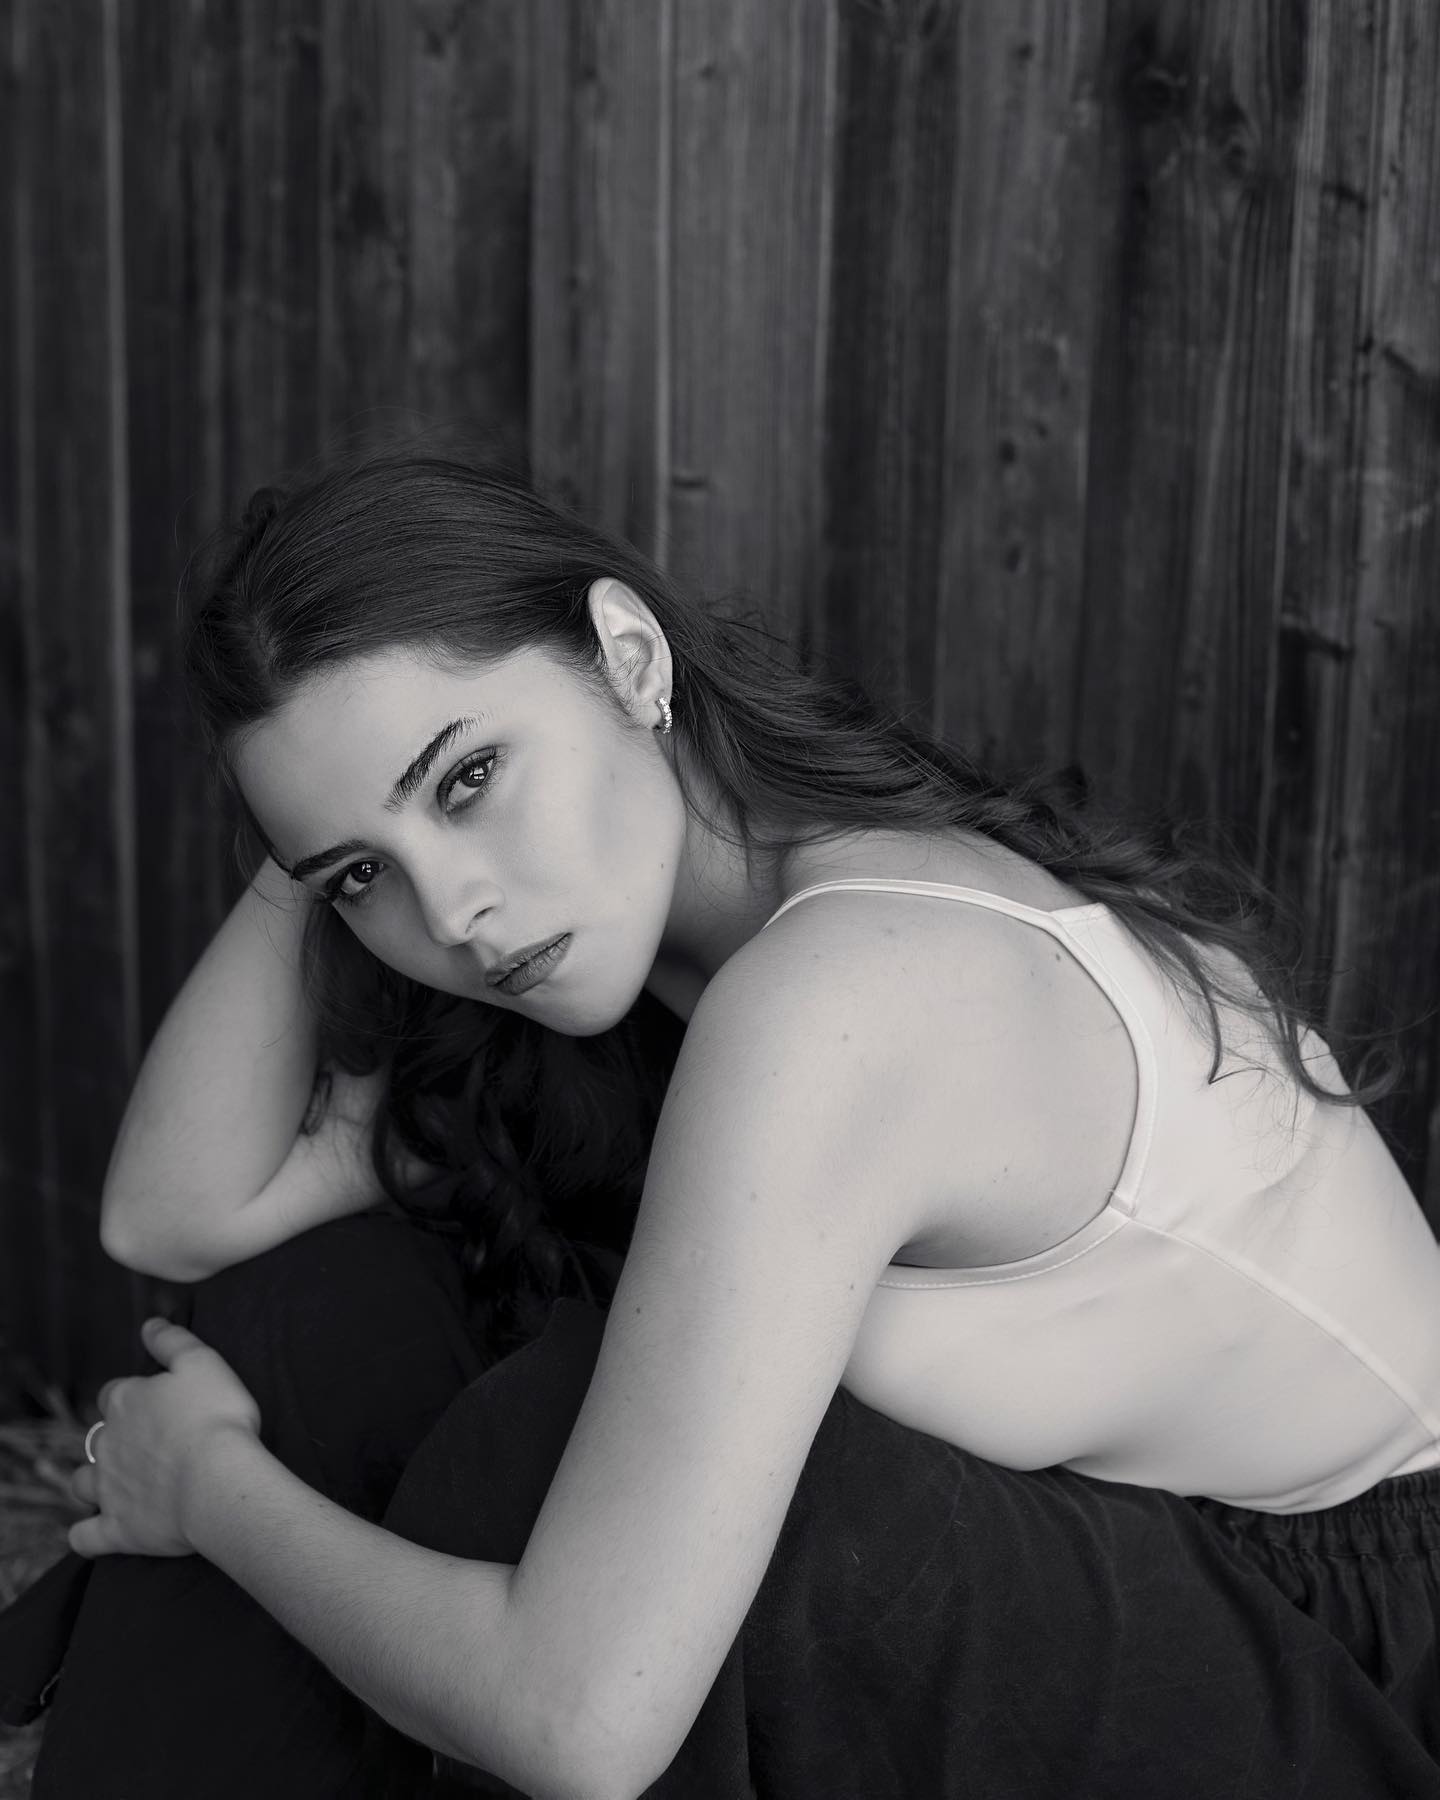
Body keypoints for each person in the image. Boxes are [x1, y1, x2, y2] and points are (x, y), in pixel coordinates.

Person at [11, 448, 1440, 1798]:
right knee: (341, 1309)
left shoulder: (845, 991)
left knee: (542, 1449)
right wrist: (330, 812)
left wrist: (211, 1492)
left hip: (1338, 1647)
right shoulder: (659, 955)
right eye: (362, 881)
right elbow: (175, 1215)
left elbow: (582, 1724)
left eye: (470, 779)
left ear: (632, 658)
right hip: (1106, 1562)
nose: (452, 913)